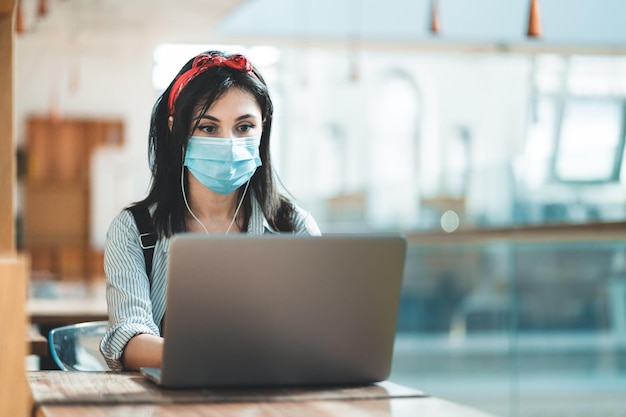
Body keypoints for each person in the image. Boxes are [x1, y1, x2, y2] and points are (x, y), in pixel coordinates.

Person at [100, 51, 321, 371]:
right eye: (208, 127)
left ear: (263, 130)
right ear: (178, 132)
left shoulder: (294, 225)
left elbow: (320, 332)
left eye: (244, 127)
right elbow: (129, 338)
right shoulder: (134, 230)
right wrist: (222, 358)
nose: (229, 143)